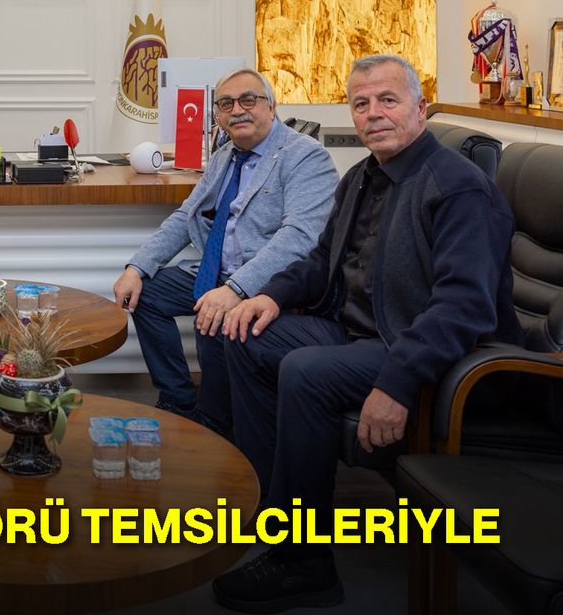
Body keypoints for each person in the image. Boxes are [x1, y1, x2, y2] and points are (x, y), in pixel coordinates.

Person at [211, 55, 522, 612]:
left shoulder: (459, 189)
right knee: (243, 333)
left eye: (387, 100)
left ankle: (304, 565)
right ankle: (272, 512)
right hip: (359, 331)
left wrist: (398, 383)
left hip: (428, 352)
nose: (373, 113)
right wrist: (267, 296)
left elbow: (463, 306)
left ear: (420, 108)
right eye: (360, 103)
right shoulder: (361, 176)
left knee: (306, 372)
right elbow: (319, 261)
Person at [112, 68, 337, 431]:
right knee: (147, 294)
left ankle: (218, 427)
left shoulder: (305, 156)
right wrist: (137, 267)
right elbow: (186, 215)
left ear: (271, 106)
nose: (237, 110)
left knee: (216, 322)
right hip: (216, 270)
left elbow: (299, 238)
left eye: (248, 100)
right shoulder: (226, 154)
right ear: (217, 114)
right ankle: (180, 400)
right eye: (226, 104)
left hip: (264, 284)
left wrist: (235, 289)